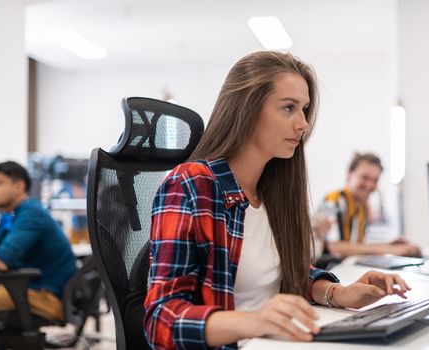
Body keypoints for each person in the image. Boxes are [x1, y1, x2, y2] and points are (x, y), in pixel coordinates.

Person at [144, 51, 411, 349]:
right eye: (288, 108)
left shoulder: (272, 189)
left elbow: (288, 274)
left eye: (304, 110)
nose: (303, 124)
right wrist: (254, 321)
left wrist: (338, 293)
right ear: (246, 109)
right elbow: (161, 319)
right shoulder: (191, 184)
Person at [0, 161, 77, 321]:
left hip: (44, 297)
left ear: (19, 186)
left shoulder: (31, 213)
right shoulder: (10, 217)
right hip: (23, 292)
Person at [313, 152, 422, 262]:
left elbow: (356, 246)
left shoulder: (362, 207)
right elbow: (335, 247)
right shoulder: (334, 200)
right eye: (364, 177)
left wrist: (389, 245)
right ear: (349, 174)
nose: (370, 185)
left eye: (375, 180)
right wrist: (389, 249)